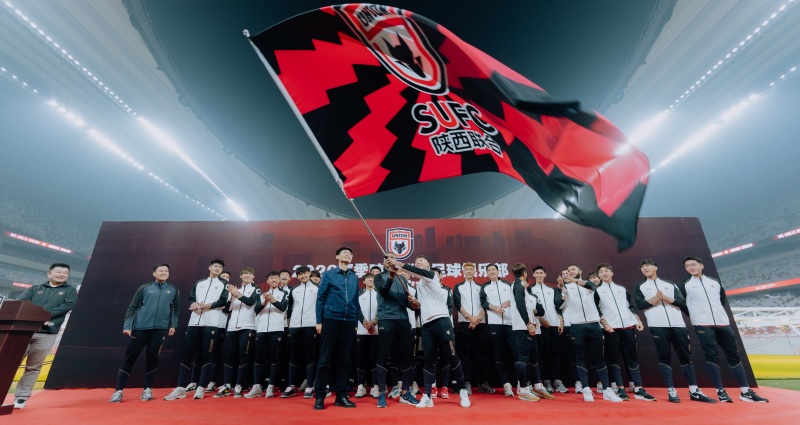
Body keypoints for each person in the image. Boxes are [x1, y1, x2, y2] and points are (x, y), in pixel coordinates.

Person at [679, 256, 768, 403]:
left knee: (734, 355)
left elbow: (721, 300)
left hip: (723, 323)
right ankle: (720, 391)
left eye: (693, 264)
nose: (691, 268)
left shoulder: (714, 282)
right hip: (702, 324)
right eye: (687, 266)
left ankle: (745, 392)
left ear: (701, 265)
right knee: (711, 356)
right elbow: (683, 304)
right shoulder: (684, 285)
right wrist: (696, 315)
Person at [389, 256, 471, 409]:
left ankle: (462, 390)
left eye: (421, 261)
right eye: (416, 262)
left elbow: (415, 271)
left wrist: (398, 264)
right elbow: (421, 305)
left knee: (452, 355)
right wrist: (415, 303)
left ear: (428, 264)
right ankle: (427, 395)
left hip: (442, 320)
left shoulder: (431, 275)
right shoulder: (420, 284)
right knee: (428, 359)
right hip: (426, 324)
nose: (418, 262)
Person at [634, 259, 715, 403]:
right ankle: (671, 391)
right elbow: (640, 304)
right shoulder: (640, 286)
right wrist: (655, 298)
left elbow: (682, 302)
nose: (644, 268)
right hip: (657, 325)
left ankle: (694, 391)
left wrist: (665, 298)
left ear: (655, 267)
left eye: (647, 266)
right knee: (664, 357)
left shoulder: (669, 284)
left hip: (678, 325)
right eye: (642, 267)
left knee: (686, 356)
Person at [110, 263, 179, 403]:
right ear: (154, 273)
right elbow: (132, 307)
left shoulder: (173, 290)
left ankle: (147, 389)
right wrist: (127, 326)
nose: (164, 273)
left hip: (159, 330)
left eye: (166, 271)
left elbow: (175, 309)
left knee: (153, 358)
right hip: (140, 328)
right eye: (161, 270)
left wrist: (173, 325)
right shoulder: (145, 288)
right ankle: (118, 391)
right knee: (130, 358)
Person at [14, 263, 78, 409]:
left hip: (48, 333)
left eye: (65, 273)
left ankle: (21, 398)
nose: (61, 275)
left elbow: (67, 306)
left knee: (34, 366)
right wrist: (37, 316)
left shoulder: (70, 291)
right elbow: (22, 301)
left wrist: (45, 315)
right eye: (58, 271)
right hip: (25, 331)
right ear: (49, 273)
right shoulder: (35, 288)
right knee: (11, 363)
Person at [164, 259, 229, 400]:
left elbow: (224, 301)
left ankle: (201, 387)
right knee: (187, 354)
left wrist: (209, 305)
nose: (217, 268)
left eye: (220, 267)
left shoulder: (224, 284)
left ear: (222, 270)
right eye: (215, 266)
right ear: (209, 267)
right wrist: (193, 304)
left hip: (211, 323)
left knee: (207, 355)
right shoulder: (200, 283)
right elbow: (191, 298)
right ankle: (181, 388)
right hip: (194, 322)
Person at [593, 263, 655, 402]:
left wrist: (637, 320)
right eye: (601, 271)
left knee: (632, 357)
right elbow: (596, 310)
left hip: (628, 327)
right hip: (611, 329)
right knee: (613, 358)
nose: (604, 273)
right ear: (599, 275)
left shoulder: (621, 289)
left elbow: (630, 306)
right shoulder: (597, 291)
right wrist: (605, 324)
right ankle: (620, 388)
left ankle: (638, 388)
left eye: (607, 270)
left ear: (612, 273)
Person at [559, 264, 621, 402]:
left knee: (600, 357)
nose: (570, 272)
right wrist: (563, 288)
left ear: (580, 271)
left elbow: (592, 287)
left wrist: (576, 281)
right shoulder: (566, 287)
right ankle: (586, 389)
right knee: (580, 357)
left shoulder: (588, 284)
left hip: (594, 324)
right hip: (576, 326)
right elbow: (559, 302)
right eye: (568, 270)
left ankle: (607, 390)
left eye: (573, 269)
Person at [314, 247, 359, 410]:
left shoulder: (354, 276)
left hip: (349, 321)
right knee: (325, 359)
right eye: (344, 253)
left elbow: (355, 300)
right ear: (337, 256)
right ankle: (320, 396)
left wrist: (355, 322)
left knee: (345, 360)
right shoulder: (329, 274)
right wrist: (319, 321)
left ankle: (341, 396)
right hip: (331, 319)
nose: (348, 254)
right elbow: (320, 298)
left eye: (350, 253)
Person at [214, 267, 261, 398]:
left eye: (250, 274)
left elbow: (250, 302)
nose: (247, 276)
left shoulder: (256, 289)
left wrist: (237, 294)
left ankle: (239, 385)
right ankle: (227, 385)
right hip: (232, 327)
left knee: (243, 357)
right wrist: (231, 297)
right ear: (240, 276)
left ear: (253, 277)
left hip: (248, 326)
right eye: (245, 274)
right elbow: (227, 309)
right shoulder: (234, 290)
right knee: (229, 356)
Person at [452, 262, 494, 395]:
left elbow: (484, 304)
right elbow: (458, 304)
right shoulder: (458, 287)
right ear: (463, 271)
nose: (469, 271)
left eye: (471, 269)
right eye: (467, 269)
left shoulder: (481, 287)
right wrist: (470, 318)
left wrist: (477, 319)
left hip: (480, 323)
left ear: (475, 271)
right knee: (466, 354)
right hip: (465, 323)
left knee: (481, 353)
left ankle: (483, 383)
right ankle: (467, 382)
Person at [246, 271, 288, 398]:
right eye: (271, 278)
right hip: (262, 329)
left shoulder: (285, 293)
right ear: (268, 281)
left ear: (279, 280)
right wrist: (264, 302)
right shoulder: (262, 294)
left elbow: (283, 307)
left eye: (276, 278)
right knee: (259, 358)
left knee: (274, 358)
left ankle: (271, 387)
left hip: (277, 329)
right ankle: (257, 387)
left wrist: (273, 300)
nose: (274, 280)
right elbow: (256, 310)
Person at [528, 265, 567, 393]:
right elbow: (530, 309)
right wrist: (541, 320)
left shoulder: (552, 289)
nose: (539, 275)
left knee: (555, 353)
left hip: (554, 325)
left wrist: (560, 321)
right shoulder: (530, 289)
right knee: (543, 354)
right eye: (537, 273)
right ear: (533, 275)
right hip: (540, 326)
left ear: (545, 275)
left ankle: (557, 380)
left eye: (541, 273)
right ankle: (546, 381)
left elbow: (558, 306)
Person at [282, 266, 319, 399]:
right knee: (293, 355)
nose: (302, 276)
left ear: (309, 274)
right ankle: (291, 385)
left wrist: (319, 322)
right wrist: (290, 322)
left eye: (305, 273)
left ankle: (309, 385)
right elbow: (290, 308)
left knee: (310, 355)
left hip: (311, 324)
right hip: (295, 325)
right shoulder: (294, 290)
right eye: (300, 274)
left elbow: (321, 306)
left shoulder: (317, 288)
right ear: (297, 276)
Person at [479, 263, 515, 397]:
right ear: (487, 273)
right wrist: (495, 308)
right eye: (489, 270)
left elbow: (516, 299)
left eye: (493, 269)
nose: (491, 272)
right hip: (495, 322)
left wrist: (510, 302)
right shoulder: (485, 286)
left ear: (498, 271)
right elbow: (483, 302)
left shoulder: (507, 284)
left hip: (510, 322)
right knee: (499, 353)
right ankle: (506, 384)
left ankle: (521, 383)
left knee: (516, 351)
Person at [507, 263, 541, 401]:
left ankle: (537, 386)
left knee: (534, 356)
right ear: (524, 273)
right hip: (522, 327)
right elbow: (520, 305)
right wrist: (528, 323)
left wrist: (531, 322)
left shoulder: (520, 285)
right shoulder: (517, 285)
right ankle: (523, 389)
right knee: (523, 358)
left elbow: (526, 307)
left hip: (527, 326)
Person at [354, 274, 379, 399]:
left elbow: (383, 308)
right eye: (368, 278)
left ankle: (375, 386)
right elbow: (356, 309)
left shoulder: (379, 294)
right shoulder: (358, 294)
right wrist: (363, 322)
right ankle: (361, 386)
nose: (370, 280)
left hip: (376, 331)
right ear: (363, 281)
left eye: (373, 278)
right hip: (362, 331)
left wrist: (374, 322)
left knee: (375, 359)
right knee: (361, 359)